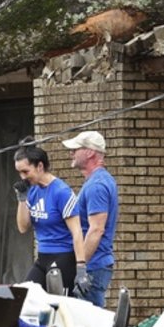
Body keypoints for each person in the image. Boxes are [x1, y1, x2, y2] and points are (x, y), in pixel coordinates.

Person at [14, 141, 83, 293]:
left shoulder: (61, 192)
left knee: (57, 305)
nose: (22, 177)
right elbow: (23, 227)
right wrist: (22, 199)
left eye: (26, 172)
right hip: (43, 256)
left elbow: (77, 232)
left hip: (63, 257)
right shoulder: (32, 191)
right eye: (19, 173)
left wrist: (81, 267)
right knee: (25, 297)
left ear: (40, 166)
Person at [61, 130, 118, 307]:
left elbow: (96, 229)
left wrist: (80, 269)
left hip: (93, 267)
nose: (71, 153)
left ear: (90, 152)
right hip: (94, 265)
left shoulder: (97, 186)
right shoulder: (98, 181)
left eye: (76, 149)